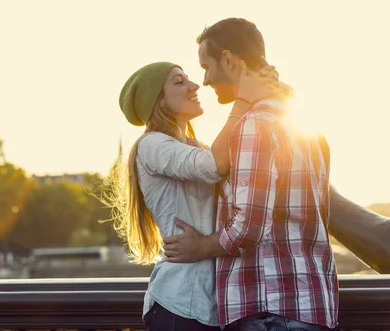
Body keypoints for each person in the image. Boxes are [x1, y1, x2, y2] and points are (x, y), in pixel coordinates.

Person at [163, 18, 339, 331]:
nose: (204, 80)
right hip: (310, 304)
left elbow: (248, 228)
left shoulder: (254, 126)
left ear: (229, 60)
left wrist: (200, 246)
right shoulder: (310, 132)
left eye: (207, 66)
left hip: (269, 310)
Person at [110, 61, 282, 330]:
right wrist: (243, 97)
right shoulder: (152, 144)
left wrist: (263, 88)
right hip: (181, 305)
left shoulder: (193, 147)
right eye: (179, 82)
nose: (195, 86)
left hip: (207, 308)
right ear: (159, 102)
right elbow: (214, 165)